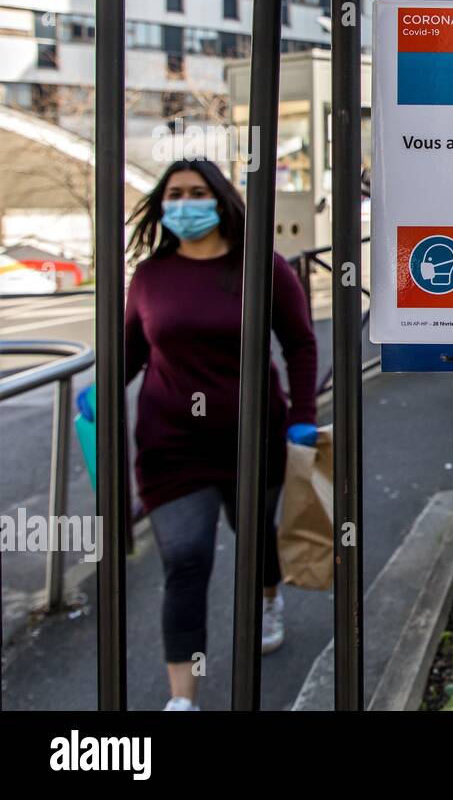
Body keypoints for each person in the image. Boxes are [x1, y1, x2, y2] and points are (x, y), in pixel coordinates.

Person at [79, 158, 318, 711]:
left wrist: (302, 415)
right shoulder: (149, 276)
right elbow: (134, 351)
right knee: (185, 560)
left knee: (256, 535)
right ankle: (182, 699)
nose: (184, 204)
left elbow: (301, 344)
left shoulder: (264, 268)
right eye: (174, 194)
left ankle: (267, 598)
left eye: (197, 192)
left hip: (251, 436)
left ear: (222, 200)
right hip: (170, 444)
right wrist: (103, 388)